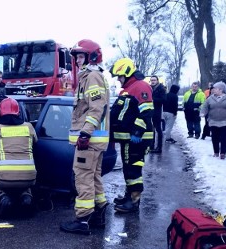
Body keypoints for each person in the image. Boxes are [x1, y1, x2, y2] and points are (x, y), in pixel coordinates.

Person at [59, 39, 110, 235]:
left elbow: (96, 108)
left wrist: (85, 133)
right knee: (94, 177)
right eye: (77, 57)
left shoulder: (92, 77)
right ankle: (99, 212)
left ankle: (82, 220)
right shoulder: (93, 76)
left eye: (81, 56)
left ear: (92, 56)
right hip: (96, 140)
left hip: (89, 140)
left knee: (83, 178)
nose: (78, 61)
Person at [108, 57, 154, 214]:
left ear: (127, 73)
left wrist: (137, 131)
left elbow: (147, 111)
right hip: (128, 139)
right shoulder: (130, 88)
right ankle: (129, 196)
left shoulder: (140, 86)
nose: (119, 80)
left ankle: (134, 201)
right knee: (128, 169)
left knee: (133, 170)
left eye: (119, 77)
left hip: (137, 139)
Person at [200, 81, 226, 159]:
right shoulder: (210, 98)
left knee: (224, 137)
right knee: (214, 137)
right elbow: (205, 106)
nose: (213, 90)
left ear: (221, 89)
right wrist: (203, 113)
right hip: (213, 121)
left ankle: (223, 153)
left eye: (215, 88)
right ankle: (216, 152)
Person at [150, 76, 166, 153]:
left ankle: (159, 147)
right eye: (151, 80)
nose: (153, 81)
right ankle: (151, 145)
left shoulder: (161, 89)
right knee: (151, 129)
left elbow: (163, 99)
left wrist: (153, 100)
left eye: (154, 80)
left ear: (157, 81)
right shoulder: (150, 88)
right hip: (150, 110)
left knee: (158, 129)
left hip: (157, 111)